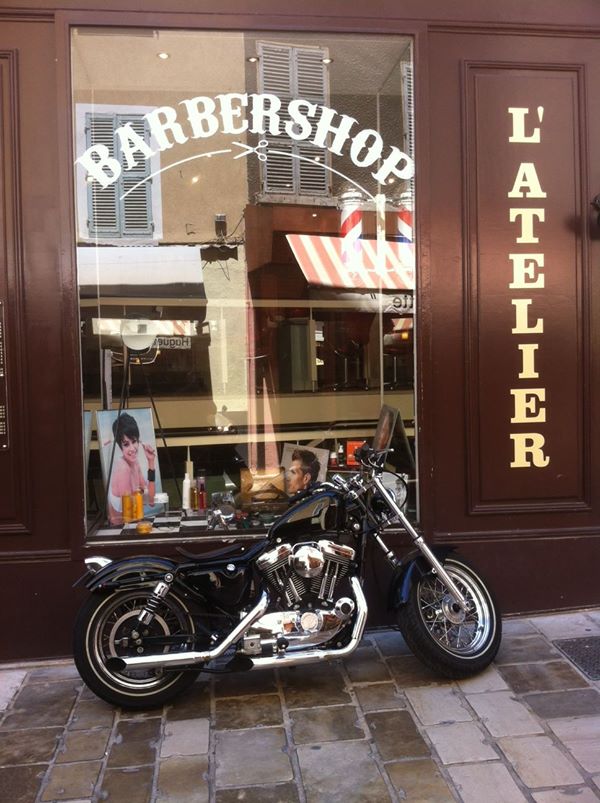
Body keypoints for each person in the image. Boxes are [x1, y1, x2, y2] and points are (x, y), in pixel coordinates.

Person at [107, 412, 156, 525]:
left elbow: (151, 500)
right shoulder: (123, 468)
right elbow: (129, 516)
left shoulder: (135, 463)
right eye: (126, 444)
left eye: (134, 441)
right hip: (118, 530)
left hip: (131, 525)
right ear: (120, 446)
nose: (132, 448)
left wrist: (151, 462)